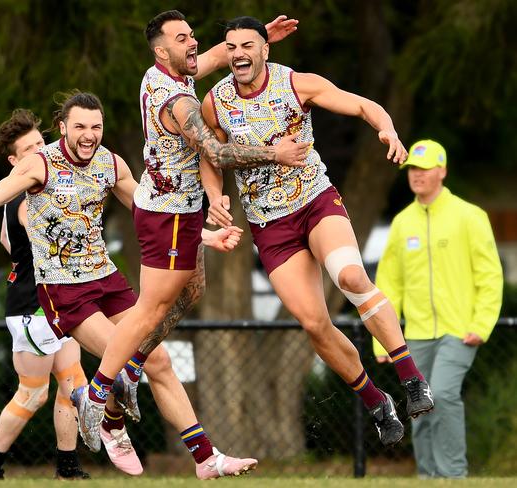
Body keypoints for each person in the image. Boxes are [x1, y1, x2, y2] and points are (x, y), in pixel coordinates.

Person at [0, 91, 257, 479]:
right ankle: (111, 423)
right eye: (79, 126)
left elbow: (152, 212)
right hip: (63, 289)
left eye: (96, 127)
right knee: (125, 358)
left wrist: (205, 237)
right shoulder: (39, 165)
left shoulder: (111, 163)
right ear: (62, 128)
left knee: (156, 359)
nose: (89, 134)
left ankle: (206, 459)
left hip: (106, 278)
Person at [77, 10, 309, 460]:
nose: (193, 44)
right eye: (183, 38)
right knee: (149, 309)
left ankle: (128, 371)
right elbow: (218, 151)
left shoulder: (166, 69)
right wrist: (276, 152)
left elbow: (214, 59)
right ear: (162, 50)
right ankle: (97, 392)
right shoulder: (177, 101)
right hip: (166, 214)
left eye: (192, 36)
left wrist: (263, 41)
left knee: (192, 290)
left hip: (179, 208)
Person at [199, 16, 435, 447]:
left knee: (349, 275)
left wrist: (386, 128)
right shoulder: (214, 102)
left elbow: (363, 104)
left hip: (314, 201)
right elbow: (210, 155)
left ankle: (412, 379)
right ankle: (377, 401)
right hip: (270, 226)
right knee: (312, 323)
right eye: (231, 47)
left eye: (247, 45)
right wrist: (214, 194)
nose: (238, 54)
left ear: (265, 50)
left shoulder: (295, 84)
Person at [0, 109, 89, 480]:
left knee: (73, 385)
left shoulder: (34, 187)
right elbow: (44, 233)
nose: (40, 151)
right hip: (32, 309)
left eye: (41, 143)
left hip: (55, 301)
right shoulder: (25, 198)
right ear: (14, 161)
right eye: (30, 148)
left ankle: (68, 467)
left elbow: (8, 241)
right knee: (33, 394)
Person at [373, 140, 503, 477]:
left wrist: (482, 322)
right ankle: (428, 478)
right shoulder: (402, 223)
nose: (416, 175)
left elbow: (490, 275)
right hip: (415, 335)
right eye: (412, 169)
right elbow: (389, 285)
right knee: (421, 406)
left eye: (424, 168)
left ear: (442, 171)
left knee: (442, 394)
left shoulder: (470, 216)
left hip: (459, 330)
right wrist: (383, 340)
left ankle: (454, 476)